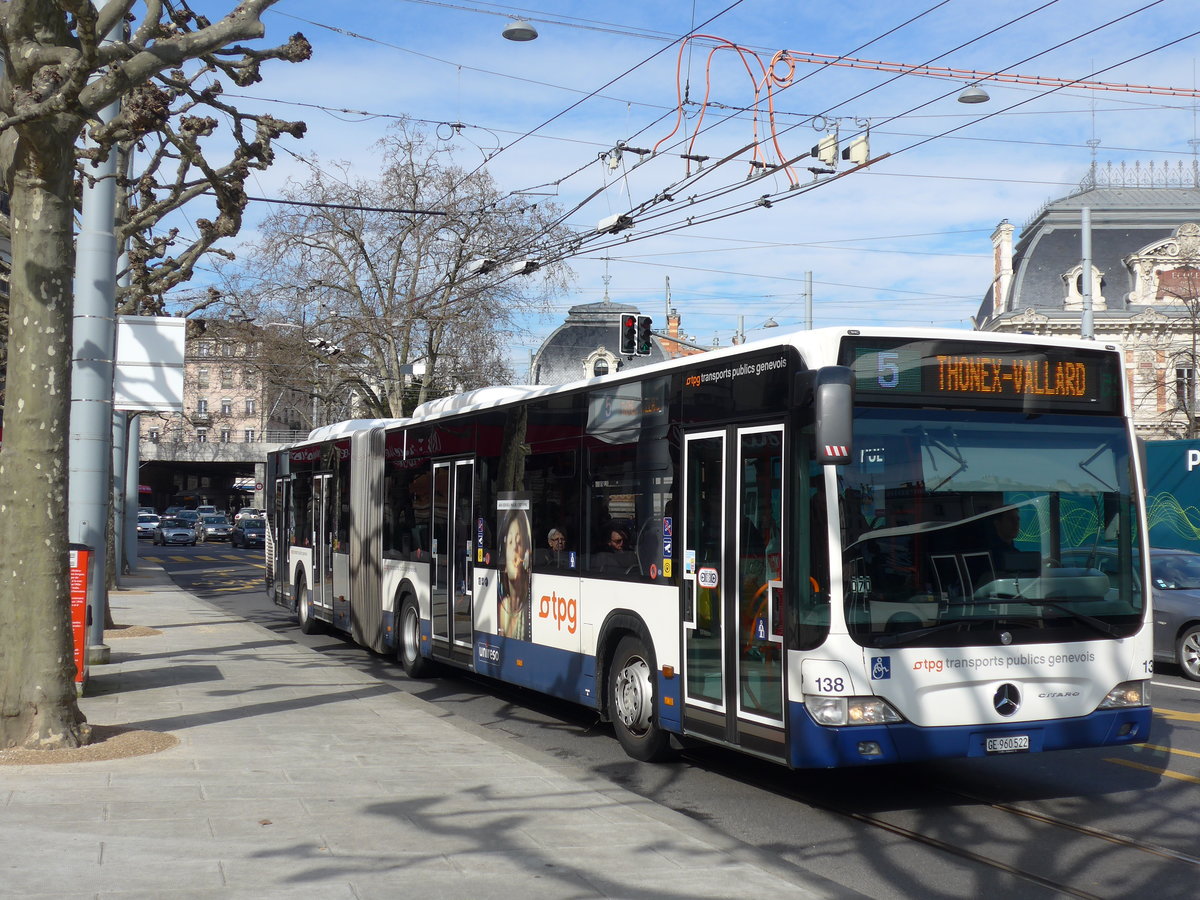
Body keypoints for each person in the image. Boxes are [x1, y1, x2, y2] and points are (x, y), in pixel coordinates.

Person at [498, 509, 532, 640]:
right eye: (510, 542)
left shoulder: (527, 606)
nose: (514, 549)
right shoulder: (503, 607)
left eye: (519, 542)